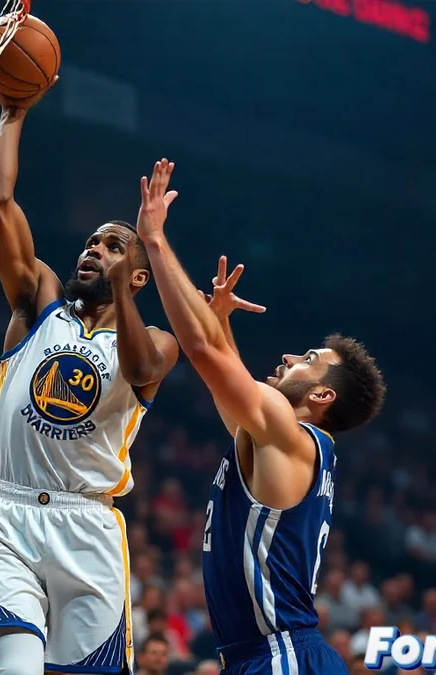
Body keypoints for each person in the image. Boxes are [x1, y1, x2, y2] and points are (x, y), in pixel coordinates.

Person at [134, 160, 386, 674]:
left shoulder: (289, 435)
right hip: (262, 655)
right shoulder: (277, 440)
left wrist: (155, 240)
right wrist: (223, 323)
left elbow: (202, 351)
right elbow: (233, 393)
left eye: (309, 360)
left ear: (321, 396)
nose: (293, 357)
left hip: (282, 655)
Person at [0, 92, 179, 674]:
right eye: (91, 242)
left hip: (87, 526)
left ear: (139, 276)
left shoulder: (159, 340)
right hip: (8, 513)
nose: (94, 250)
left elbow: (141, 374)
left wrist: (118, 289)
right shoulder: (39, 300)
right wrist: (14, 115)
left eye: (113, 246)